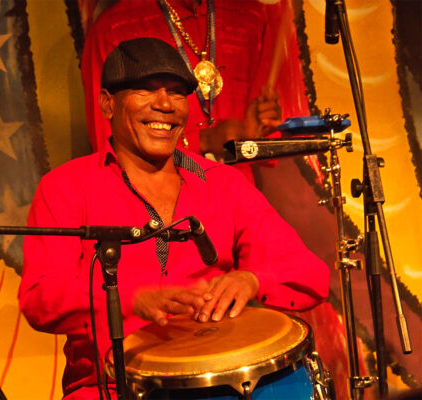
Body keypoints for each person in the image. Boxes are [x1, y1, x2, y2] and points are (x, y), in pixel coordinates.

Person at [19, 38, 329, 399]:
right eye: (145, 90)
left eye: (178, 93)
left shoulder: (222, 183)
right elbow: (40, 299)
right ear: (108, 103)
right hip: (108, 387)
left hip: (218, 383)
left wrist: (252, 279)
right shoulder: (65, 187)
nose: (165, 104)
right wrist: (130, 300)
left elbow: (310, 274)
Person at [81, 0, 311, 182]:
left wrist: (252, 131)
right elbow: (110, 154)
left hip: (235, 206)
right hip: (155, 215)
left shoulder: (252, 17)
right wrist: (203, 140)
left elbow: (257, 144)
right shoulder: (114, 29)